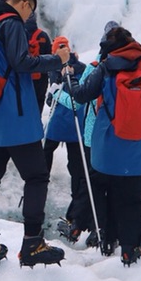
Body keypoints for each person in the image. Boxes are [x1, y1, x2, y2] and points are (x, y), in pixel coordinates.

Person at [0, 0, 67, 270]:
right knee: (36, 177)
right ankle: (32, 242)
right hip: (17, 119)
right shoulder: (11, 23)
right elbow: (22, 63)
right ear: (24, 4)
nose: (29, 15)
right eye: (30, 9)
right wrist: (55, 60)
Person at [65, 21, 141, 265]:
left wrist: (69, 80)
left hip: (107, 146)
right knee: (133, 198)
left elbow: (82, 95)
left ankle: (107, 240)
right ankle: (130, 248)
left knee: (108, 192)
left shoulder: (104, 69)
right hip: (139, 148)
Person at [44, 37, 96, 244]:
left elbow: (54, 98)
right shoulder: (68, 68)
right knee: (73, 166)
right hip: (71, 125)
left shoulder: (65, 67)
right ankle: (71, 210)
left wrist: (56, 92)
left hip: (66, 124)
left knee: (66, 164)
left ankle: (45, 196)